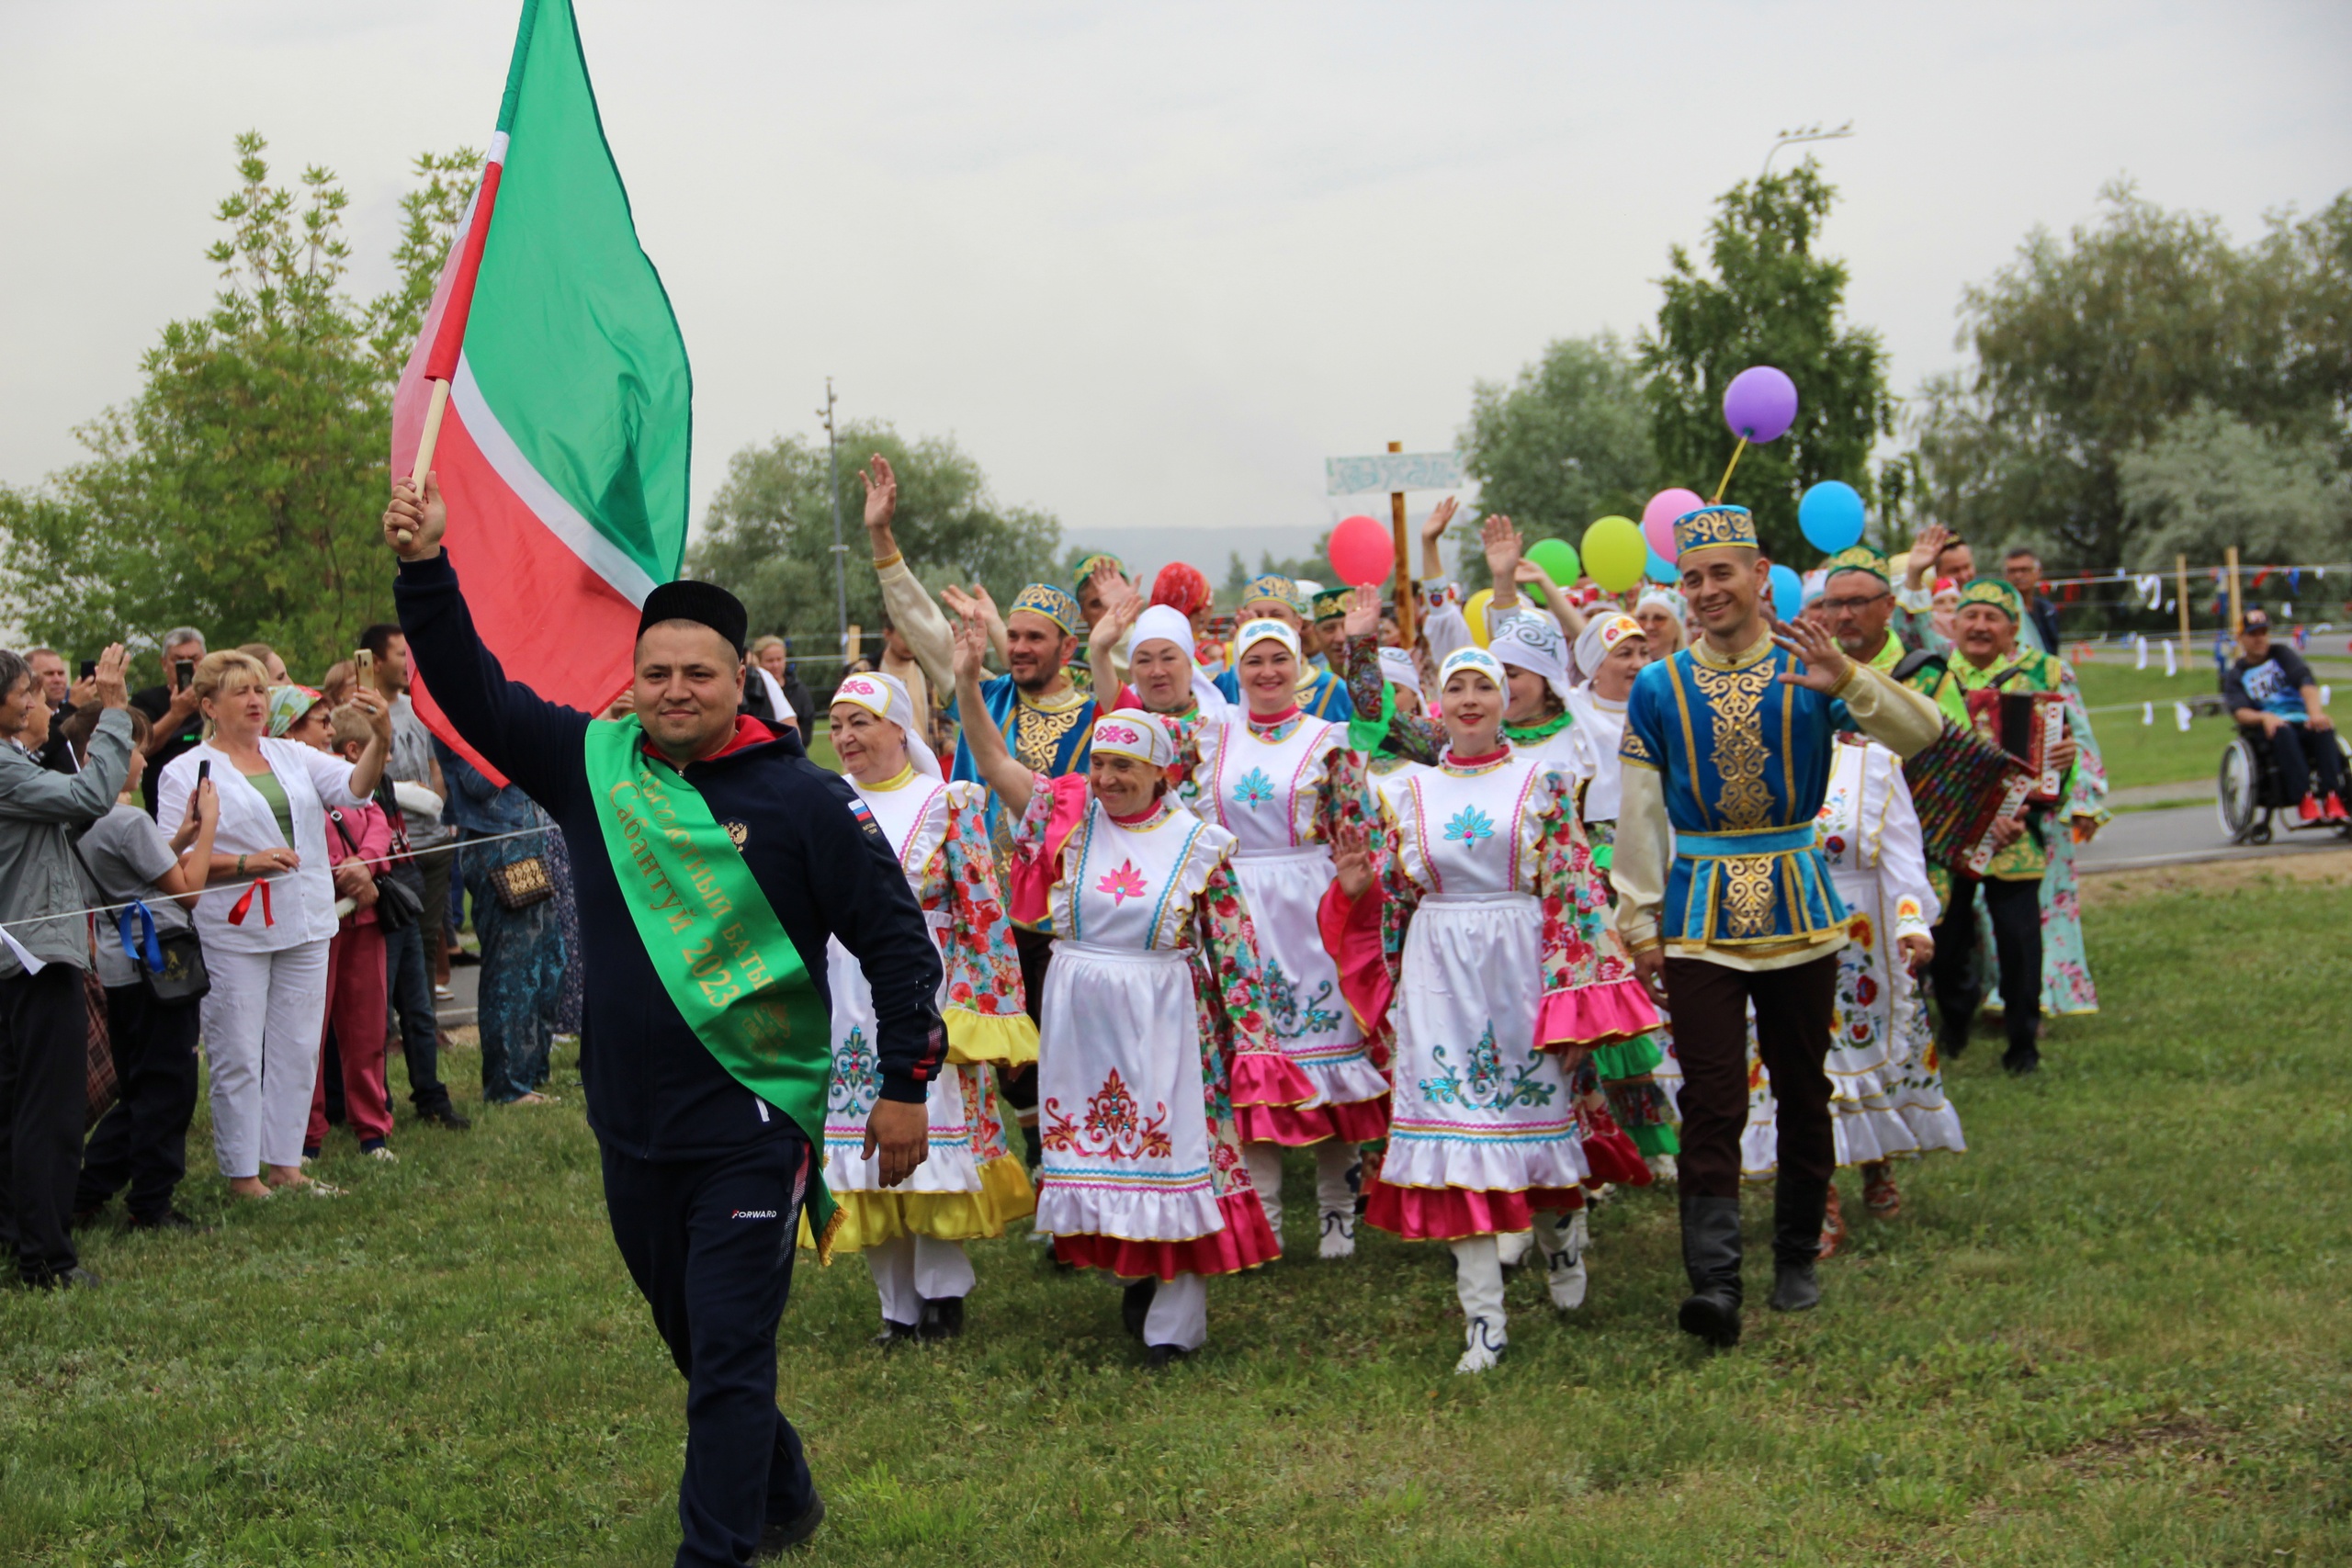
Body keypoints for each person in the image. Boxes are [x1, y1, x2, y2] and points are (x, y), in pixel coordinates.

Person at [387, 472, 944, 1564]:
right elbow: (472, 686)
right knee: (693, 1341)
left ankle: (717, 1550)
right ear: (630, 683)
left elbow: (896, 946)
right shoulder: (595, 770)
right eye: (657, 673)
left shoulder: (805, 801)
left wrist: (905, 1088)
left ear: (743, 680)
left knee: (732, 1356)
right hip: (628, 1128)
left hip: (751, 1129)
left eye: (700, 673)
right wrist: (424, 570)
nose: (676, 690)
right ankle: (782, 1492)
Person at [1611, 504, 1943, 1348]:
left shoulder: (1810, 667)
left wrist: (1854, 682)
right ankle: (1716, 1286)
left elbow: (1925, 731)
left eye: (1723, 572)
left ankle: (1795, 1254)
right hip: (1698, 914)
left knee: (1804, 1088)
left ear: (1761, 576)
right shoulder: (1658, 686)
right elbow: (1639, 817)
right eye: (1692, 578)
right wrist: (1639, 922)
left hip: (1802, 905)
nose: (1707, 590)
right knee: (1714, 1100)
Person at [1322, 645, 1658, 1372]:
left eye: (1484, 685)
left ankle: (1561, 1235)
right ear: (1437, 704)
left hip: (1521, 967)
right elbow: (1398, 895)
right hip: (1440, 976)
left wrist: (1576, 1007)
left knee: (1536, 1122)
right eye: (1455, 686)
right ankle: (1483, 1317)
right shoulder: (1408, 791)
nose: (1469, 698)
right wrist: (1356, 889)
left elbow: (1574, 893)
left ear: (1507, 699)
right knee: (1458, 1144)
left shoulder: (1544, 781)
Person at [956, 620, 1280, 1364]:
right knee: (1111, 1153)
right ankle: (1140, 1269)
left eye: (1123, 766)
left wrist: (1254, 1050)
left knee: (1175, 1158)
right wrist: (970, 683)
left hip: (1163, 1019)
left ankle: (1176, 1322)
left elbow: (1235, 954)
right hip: (1083, 1016)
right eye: (1100, 763)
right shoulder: (1067, 816)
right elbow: (995, 759)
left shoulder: (1200, 846)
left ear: (1161, 773)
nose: (1106, 778)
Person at [817, 671, 1036, 1342]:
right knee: (859, 1138)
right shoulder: (825, 804)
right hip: (843, 992)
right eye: (837, 722)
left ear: (899, 728)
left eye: (861, 721)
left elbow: (984, 911)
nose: (846, 736)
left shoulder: (948, 803)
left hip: (928, 988)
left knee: (934, 1133)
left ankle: (942, 1295)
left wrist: (983, 1011)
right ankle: (896, 1306)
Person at [1175, 616, 1383, 1260]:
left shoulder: (1330, 740)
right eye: (1254, 660)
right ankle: (1260, 1214)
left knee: (1332, 1065)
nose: (1267, 671)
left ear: (1298, 665)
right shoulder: (1209, 736)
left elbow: (1358, 829)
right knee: (1256, 1062)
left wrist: (1355, 892)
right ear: (1235, 667)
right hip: (1237, 913)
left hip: (1313, 907)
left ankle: (1337, 1211)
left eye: (1278, 659)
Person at [158, 652, 391, 1201]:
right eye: (241, 693)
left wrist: (379, 739)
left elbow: (356, 788)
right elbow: (170, 859)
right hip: (233, 927)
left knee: (298, 1046)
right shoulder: (183, 770)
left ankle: (287, 1165)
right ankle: (243, 1175)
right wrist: (245, 863)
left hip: (305, 920)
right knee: (237, 1050)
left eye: (260, 691)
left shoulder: (292, 754)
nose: (256, 701)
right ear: (210, 705)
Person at [1737, 733, 1960, 1253]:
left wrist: (1912, 921)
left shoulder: (1875, 763)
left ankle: (1875, 1158)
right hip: (1780, 926)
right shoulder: (1747, 755)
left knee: (1862, 1058)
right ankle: (1819, 1196)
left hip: (1862, 934)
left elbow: (1903, 852)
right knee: (1802, 1065)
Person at [1929, 578, 2106, 1073]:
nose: (1980, 626)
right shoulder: (1933, 676)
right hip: (1950, 831)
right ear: (1955, 624)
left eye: (1993, 619)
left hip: (2020, 828)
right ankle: (1955, 1022)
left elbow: (2068, 753)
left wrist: (2066, 764)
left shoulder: (2045, 672)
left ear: (2013, 630)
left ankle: (2023, 1044)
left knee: (2020, 942)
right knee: (1948, 941)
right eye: (1971, 616)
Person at [0, 644, 134, 1288]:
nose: (35, 702)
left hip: (15, 957)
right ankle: (46, 1258)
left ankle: (16, 1237)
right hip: (34, 960)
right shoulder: (3, 769)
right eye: (25, 692)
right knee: (48, 1112)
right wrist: (112, 711)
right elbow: (88, 794)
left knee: (12, 1107)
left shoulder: (16, 764)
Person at [70, 708, 220, 1233]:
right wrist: (208, 832)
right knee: (168, 1087)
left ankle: (85, 1192)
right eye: (133, 748)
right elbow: (189, 892)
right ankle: (150, 1203)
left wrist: (177, 838)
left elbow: (131, 873)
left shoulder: (80, 821)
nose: (140, 758)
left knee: (137, 1087)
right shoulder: (129, 820)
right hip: (158, 963)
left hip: (117, 964)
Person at [360, 623, 468, 1131]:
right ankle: (371, 1097)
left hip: (431, 848)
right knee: (383, 980)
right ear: (375, 661)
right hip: (386, 863)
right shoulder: (363, 713)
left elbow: (433, 765)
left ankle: (431, 1090)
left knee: (425, 962)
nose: (410, 661)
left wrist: (437, 801)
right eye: (401, 653)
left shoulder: (419, 707)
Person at [436, 742, 566, 1105]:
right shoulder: (464, 713)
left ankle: (533, 1069)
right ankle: (507, 1085)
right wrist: (520, 742)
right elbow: (477, 781)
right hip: (499, 847)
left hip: (527, 845)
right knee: (512, 967)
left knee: (548, 961)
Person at [305, 704, 400, 1164]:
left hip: (363, 917)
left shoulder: (344, 773)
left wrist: (365, 863)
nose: (329, 730)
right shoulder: (281, 779)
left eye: (329, 721)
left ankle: (372, 1129)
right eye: (318, 722)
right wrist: (335, 874)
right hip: (314, 923)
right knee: (308, 1035)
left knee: (366, 1028)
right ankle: (306, 1136)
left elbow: (379, 820)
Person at [2225, 608, 2346, 821]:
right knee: (2284, 732)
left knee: (2323, 729)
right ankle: (2304, 798)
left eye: (2263, 633)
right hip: (2270, 728)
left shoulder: (2281, 654)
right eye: (2253, 634)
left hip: (2301, 718)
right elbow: (2239, 711)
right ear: (2241, 638)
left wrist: (2315, 713)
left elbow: (2305, 681)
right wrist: (2264, 717)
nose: (2259, 639)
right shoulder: (2237, 674)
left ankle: (2332, 795)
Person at [1214, 575, 1352, 721]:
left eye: (1276, 616)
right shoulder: (1225, 684)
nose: (1265, 624)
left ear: (1297, 623)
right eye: (1258, 616)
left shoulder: (1332, 689)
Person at [1816, 546, 1947, 696]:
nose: (1844, 616)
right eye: (1834, 604)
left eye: (1857, 602)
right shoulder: (1811, 668)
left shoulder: (1926, 672)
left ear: (1888, 605)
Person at [130, 627, 209, 819]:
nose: (188, 666)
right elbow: (141, 747)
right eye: (179, 660)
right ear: (165, 664)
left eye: (194, 659)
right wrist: (176, 714)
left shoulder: (218, 699)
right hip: (164, 803)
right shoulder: (145, 700)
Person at [2001, 548, 2063, 657]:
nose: (2018, 576)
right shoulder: (2001, 611)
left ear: (2038, 572)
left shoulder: (2047, 611)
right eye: (2012, 571)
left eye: (2024, 570)